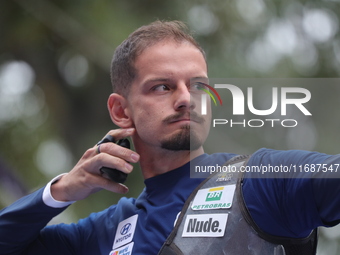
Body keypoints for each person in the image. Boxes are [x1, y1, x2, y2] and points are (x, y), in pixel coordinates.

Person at [0, 20, 340, 255]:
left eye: (198, 86)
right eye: (162, 86)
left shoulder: (260, 181)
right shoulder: (104, 230)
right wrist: (60, 192)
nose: (185, 99)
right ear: (121, 111)